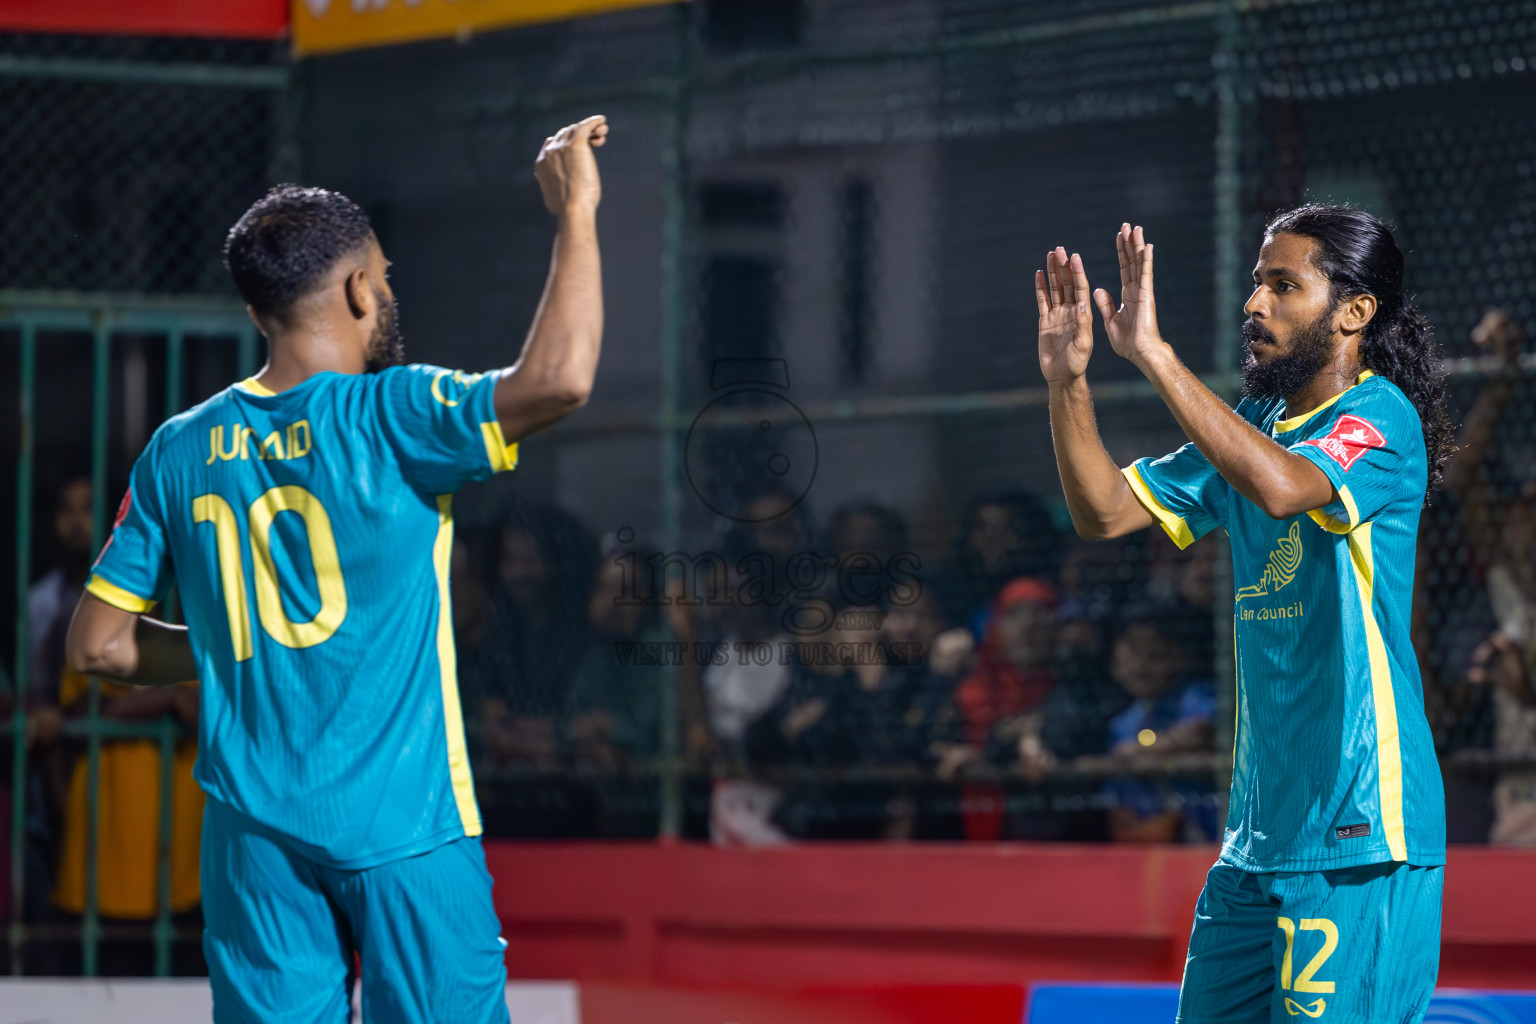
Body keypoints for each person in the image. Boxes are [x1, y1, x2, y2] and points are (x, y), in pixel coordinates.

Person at [64, 116, 608, 1021]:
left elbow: (99, 648)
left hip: (251, 843)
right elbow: (558, 379)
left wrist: (230, 636)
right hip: (408, 830)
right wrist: (578, 213)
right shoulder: (394, 413)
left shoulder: (178, 448)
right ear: (359, 289)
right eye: (386, 274)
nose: (389, 289)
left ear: (256, 311)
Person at [1037, 208, 1451, 1022]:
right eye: (1258, 282)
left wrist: (1154, 355)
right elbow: (1104, 512)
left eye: (1283, 284)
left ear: (1353, 312)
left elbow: (1284, 488)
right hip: (1257, 837)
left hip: (1359, 829)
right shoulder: (1255, 428)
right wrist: (1067, 382)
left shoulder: (1382, 418)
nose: (1254, 303)